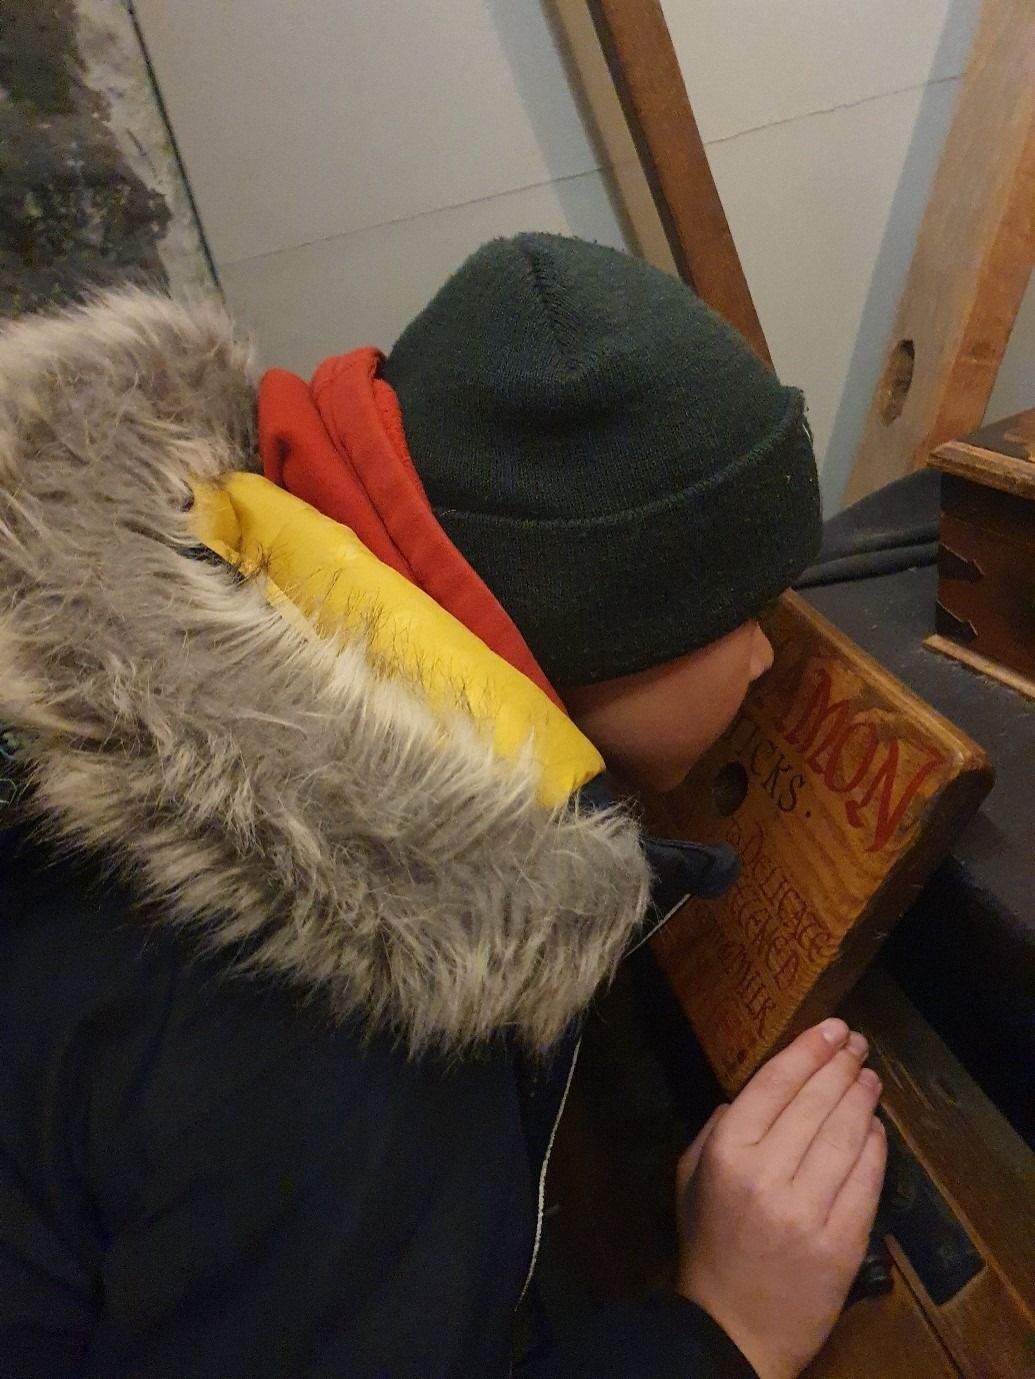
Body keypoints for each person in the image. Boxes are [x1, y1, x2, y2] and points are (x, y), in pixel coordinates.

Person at [0, 235, 886, 1379]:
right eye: (745, 605)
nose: (769, 656)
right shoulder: (348, 1016)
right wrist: (721, 1329)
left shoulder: (189, 678)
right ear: (604, 619)